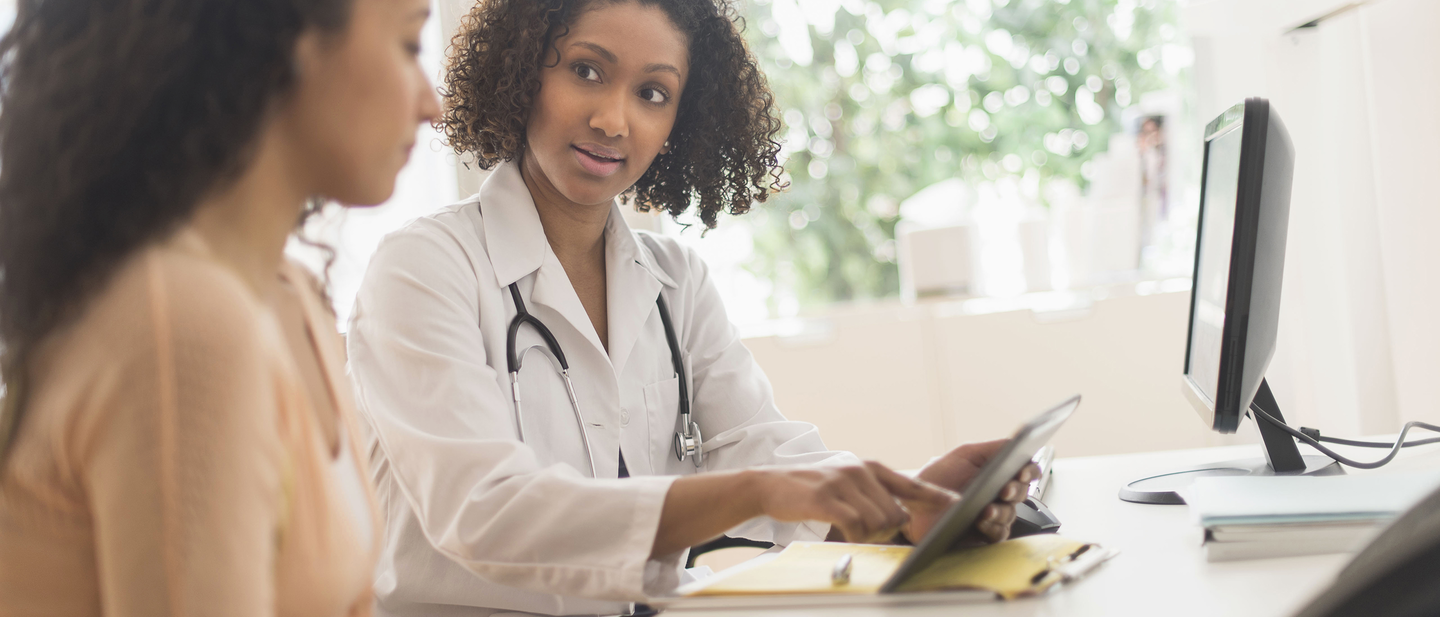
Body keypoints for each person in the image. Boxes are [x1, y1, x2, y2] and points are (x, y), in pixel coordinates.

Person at [346, 0, 1038, 614]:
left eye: (652, 92)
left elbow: (759, 444)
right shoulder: (425, 268)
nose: (612, 118)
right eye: (587, 70)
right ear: (524, 68)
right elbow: (485, 510)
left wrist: (899, 502)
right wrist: (762, 489)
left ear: (682, 119)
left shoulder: (675, 279)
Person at [0, 0, 439, 614]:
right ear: (291, 38)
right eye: (410, 46)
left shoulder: (294, 297)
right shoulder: (180, 324)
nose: (432, 103)